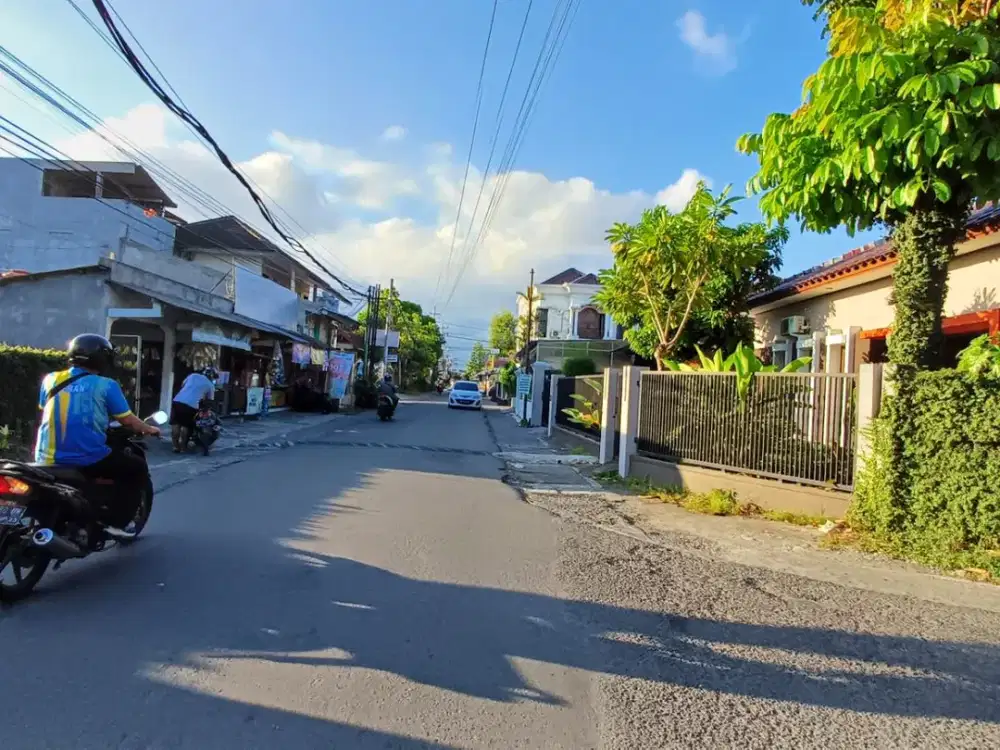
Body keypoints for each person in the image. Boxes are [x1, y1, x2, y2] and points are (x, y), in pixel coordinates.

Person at [34, 333, 160, 538]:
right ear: (103, 359)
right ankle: (119, 523)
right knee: (136, 467)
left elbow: (45, 408)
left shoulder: (50, 379)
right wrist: (149, 429)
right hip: (87, 458)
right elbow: (127, 420)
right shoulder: (106, 385)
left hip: (45, 457)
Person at [171, 366, 217, 453]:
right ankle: (183, 447)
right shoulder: (210, 385)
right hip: (192, 405)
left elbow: (183, 385)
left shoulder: (193, 376)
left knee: (175, 423)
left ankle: (175, 446)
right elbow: (210, 400)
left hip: (177, 400)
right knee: (186, 426)